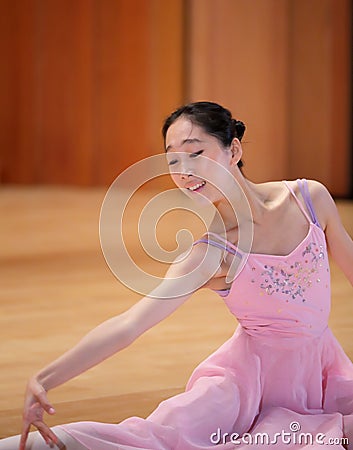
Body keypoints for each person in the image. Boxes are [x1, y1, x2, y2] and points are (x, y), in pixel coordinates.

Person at [1, 101, 352, 449]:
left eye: (195, 153)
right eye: (173, 161)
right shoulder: (210, 254)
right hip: (249, 386)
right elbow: (129, 325)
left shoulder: (309, 198)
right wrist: (43, 379)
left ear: (234, 149)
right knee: (149, 442)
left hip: (326, 373)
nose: (184, 172)